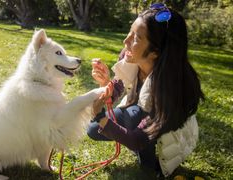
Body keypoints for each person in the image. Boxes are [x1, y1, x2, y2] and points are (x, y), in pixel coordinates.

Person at [87, 3, 205, 178]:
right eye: (130, 31)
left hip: (171, 132)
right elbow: (118, 88)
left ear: (155, 52)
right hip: (140, 114)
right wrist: (106, 84)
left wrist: (101, 116)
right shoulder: (129, 56)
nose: (126, 41)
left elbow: (138, 140)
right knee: (94, 128)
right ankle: (136, 140)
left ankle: (151, 167)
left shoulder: (171, 88)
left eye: (136, 38)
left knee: (132, 117)